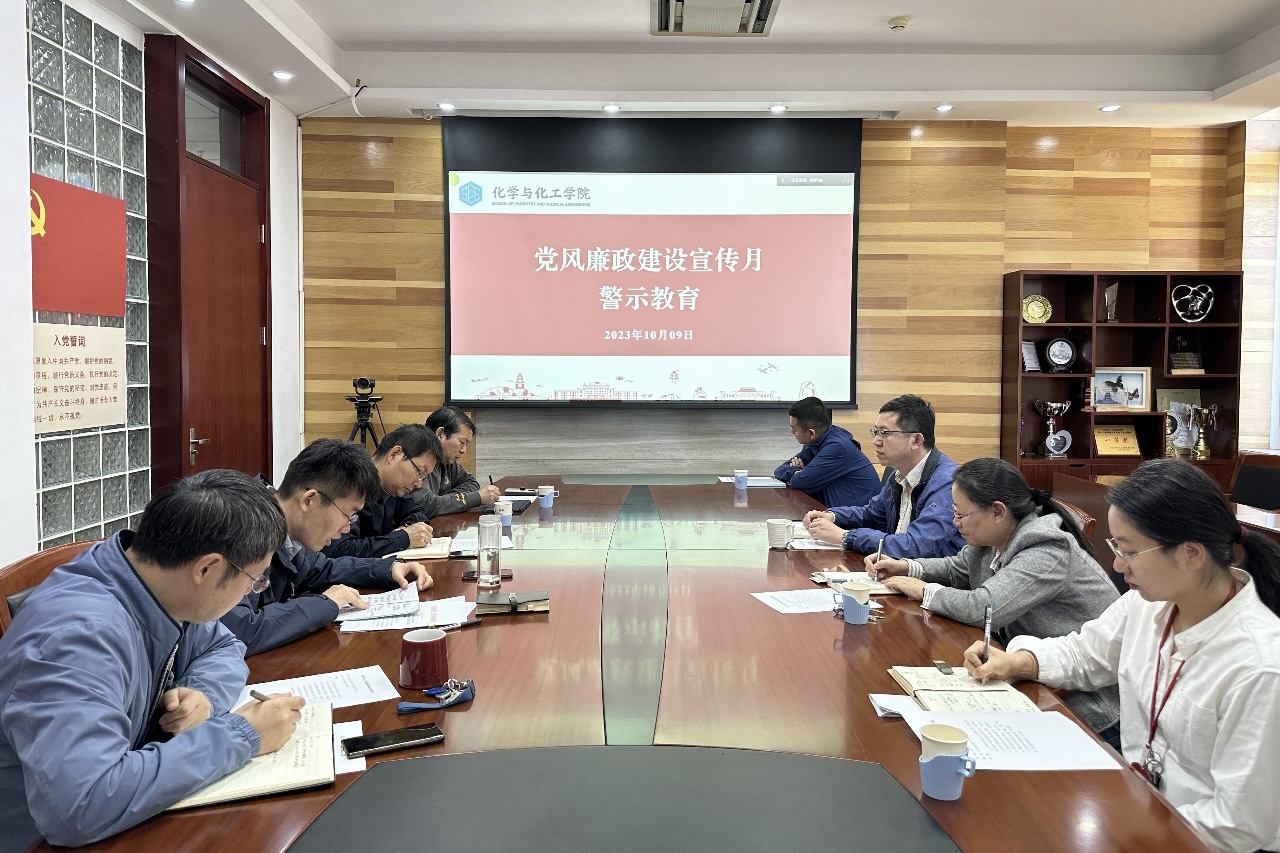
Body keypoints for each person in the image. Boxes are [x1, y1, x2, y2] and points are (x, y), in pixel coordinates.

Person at [964, 459, 1280, 853]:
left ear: (1191, 554)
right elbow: (1086, 654)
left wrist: (1127, 827)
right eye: (1116, 547)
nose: (1116, 565)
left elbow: (1239, 824)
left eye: (1128, 551)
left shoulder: (1259, 666)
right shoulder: (1148, 603)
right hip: (1139, 805)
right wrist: (1017, 661)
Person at [0, 470, 305, 852]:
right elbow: (80, 805)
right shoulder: (76, 639)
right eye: (255, 580)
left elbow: (224, 647)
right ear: (206, 569)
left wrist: (202, 694)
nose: (252, 591)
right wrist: (243, 735)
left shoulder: (154, 581)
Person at [872, 457, 1121, 738]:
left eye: (961, 515)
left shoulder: (1045, 549)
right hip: (1031, 673)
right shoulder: (995, 538)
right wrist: (906, 567)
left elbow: (983, 608)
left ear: (998, 511)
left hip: (1084, 704)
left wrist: (924, 590)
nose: (955, 522)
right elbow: (956, 568)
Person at [221, 439, 433, 656]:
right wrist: (325, 603)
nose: (346, 529)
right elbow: (239, 630)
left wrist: (388, 568)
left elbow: (321, 568)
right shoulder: (242, 530)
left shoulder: (286, 529)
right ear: (309, 500)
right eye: (348, 516)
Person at [803, 394, 965, 558]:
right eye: (875, 432)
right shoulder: (899, 473)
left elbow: (916, 546)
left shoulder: (947, 484)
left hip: (925, 572)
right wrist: (833, 516)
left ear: (916, 440)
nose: (876, 441)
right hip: (895, 566)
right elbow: (872, 515)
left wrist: (845, 536)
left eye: (884, 433)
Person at [323, 424, 443, 558]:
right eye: (419, 472)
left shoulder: (394, 488)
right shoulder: (349, 484)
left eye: (424, 477)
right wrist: (400, 538)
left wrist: (408, 530)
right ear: (394, 454)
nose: (418, 483)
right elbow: (340, 550)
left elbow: (418, 513)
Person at [773, 396, 880, 508]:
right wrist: (796, 471)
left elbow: (799, 482)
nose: (791, 432)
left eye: (794, 429)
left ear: (811, 433)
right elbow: (779, 471)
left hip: (861, 516)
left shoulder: (837, 447)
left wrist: (796, 472)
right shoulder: (816, 442)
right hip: (837, 513)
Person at [409, 406, 500, 515]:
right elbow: (427, 505)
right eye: (462, 442)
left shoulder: (446, 460)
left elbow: (471, 482)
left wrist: (447, 501)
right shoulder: (415, 458)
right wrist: (477, 497)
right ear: (440, 434)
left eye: (466, 445)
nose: (463, 450)